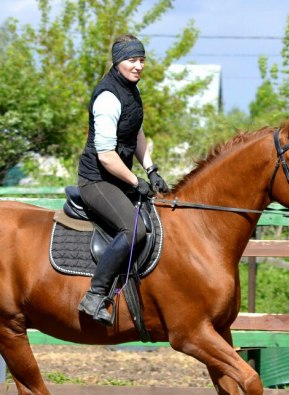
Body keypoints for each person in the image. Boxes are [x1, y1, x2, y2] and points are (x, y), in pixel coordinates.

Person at [76, 34, 169, 326]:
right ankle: (95, 295)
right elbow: (106, 156)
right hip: (97, 181)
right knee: (134, 230)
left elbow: (134, 133)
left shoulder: (131, 90)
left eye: (142, 60)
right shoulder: (107, 97)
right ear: (118, 62)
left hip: (118, 178)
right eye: (132, 60)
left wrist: (151, 169)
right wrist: (134, 181)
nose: (139, 65)